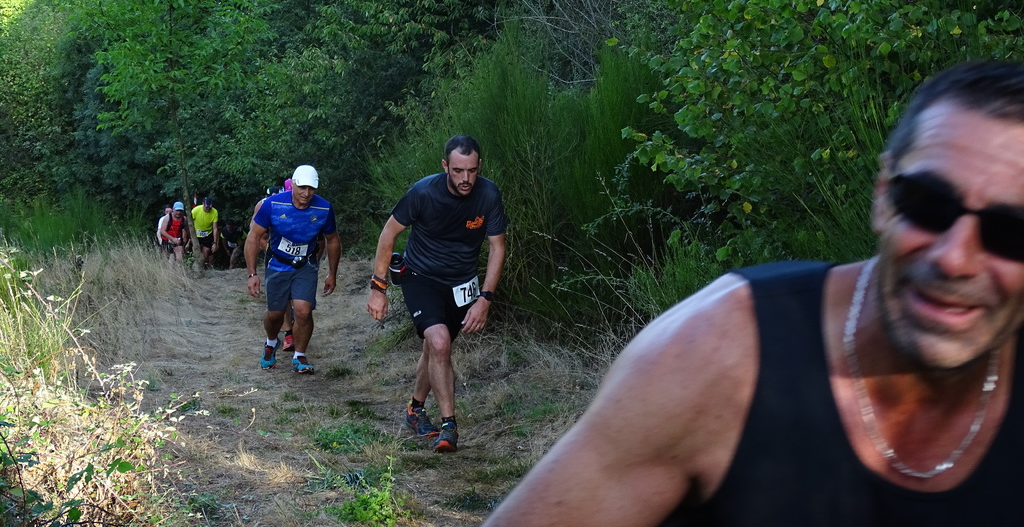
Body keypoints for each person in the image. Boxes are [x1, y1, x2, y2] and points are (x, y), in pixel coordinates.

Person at [482, 61, 1024, 527]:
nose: (955, 258)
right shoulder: (715, 354)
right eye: (929, 204)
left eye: (1010, 231)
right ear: (883, 197)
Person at [367, 134, 507, 453]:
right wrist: (378, 287)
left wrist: (485, 298)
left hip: (462, 284)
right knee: (440, 342)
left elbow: (497, 247)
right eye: (458, 171)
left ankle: (415, 409)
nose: (465, 178)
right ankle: (449, 427)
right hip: (421, 277)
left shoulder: (488, 194)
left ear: (479, 166)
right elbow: (388, 234)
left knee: (436, 349)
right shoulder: (423, 192)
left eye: (472, 170)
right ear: (445, 166)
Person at [245, 165, 340, 374]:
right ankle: (271, 342)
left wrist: (332, 273)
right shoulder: (272, 205)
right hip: (277, 264)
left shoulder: (324, 208)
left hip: (305, 264)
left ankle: (299, 355)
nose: (306, 193)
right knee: (276, 314)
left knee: (304, 310)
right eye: (302, 187)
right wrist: (252, 274)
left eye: (311, 188)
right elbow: (253, 237)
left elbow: (332, 240)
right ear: (293, 184)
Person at [191, 196, 220, 269]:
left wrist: (215, 243)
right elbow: (189, 223)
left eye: (209, 207)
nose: (208, 209)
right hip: (196, 234)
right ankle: (195, 267)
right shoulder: (195, 210)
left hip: (207, 234)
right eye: (206, 207)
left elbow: (215, 228)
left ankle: (204, 267)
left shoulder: (214, 212)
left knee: (206, 252)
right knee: (196, 252)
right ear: (203, 204)